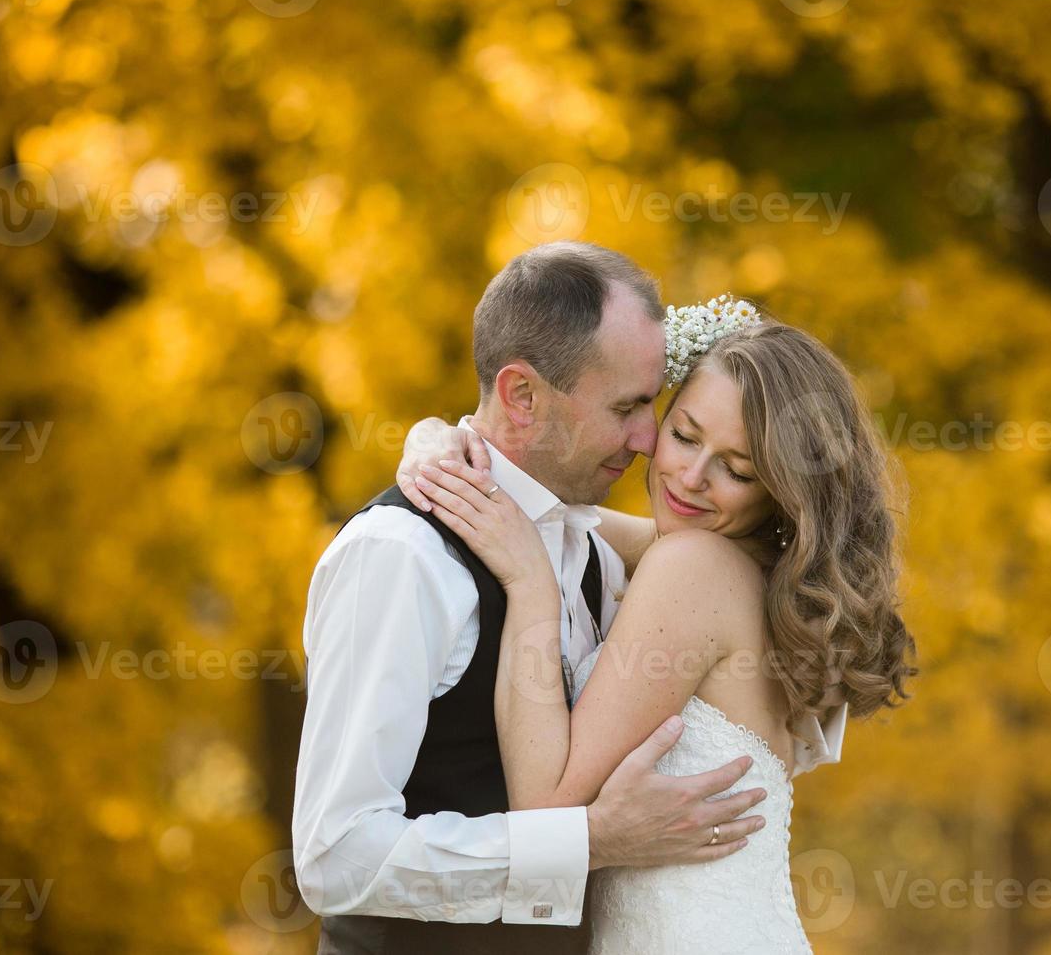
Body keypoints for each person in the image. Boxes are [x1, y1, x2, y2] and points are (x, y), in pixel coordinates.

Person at [292, 243, 771, 955]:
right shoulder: (399, 558)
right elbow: (336, 855)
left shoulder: (592, 553)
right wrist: (588, 840)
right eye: (627, 407)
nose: (648, 441)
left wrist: (431, 437)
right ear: (521, 395)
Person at [401, 296, 917, 952]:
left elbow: (546, 805)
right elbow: (531, 510)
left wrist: (530, 586)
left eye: (736, 469)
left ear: (781, 491)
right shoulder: (759, 580)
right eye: (684, 435)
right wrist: (433, 440)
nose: (691, 477)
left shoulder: (694, 566)